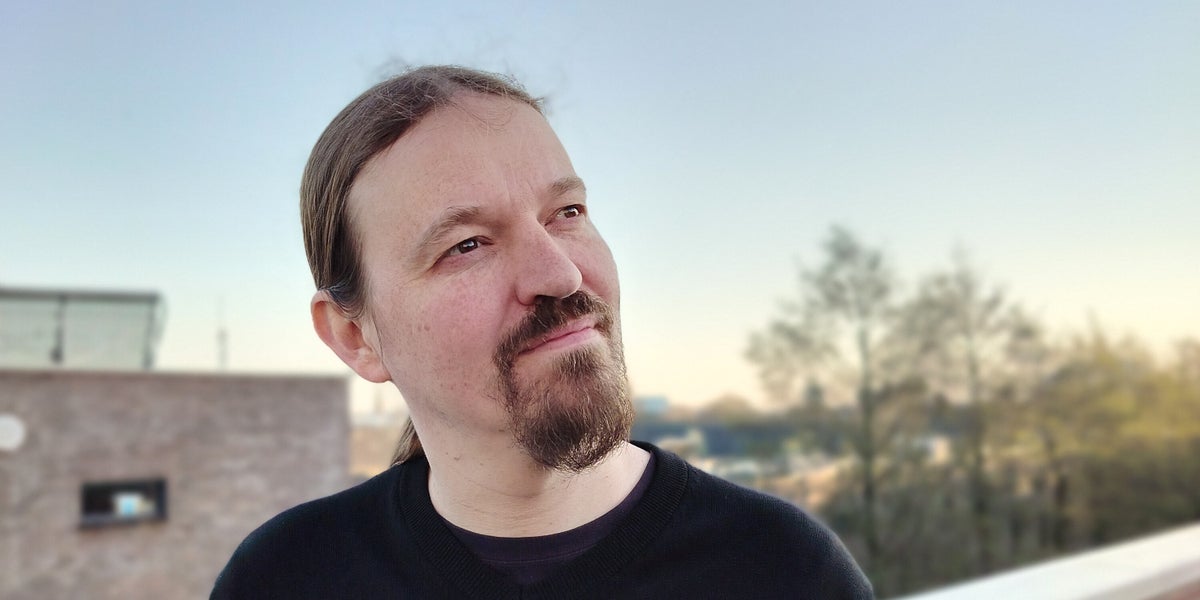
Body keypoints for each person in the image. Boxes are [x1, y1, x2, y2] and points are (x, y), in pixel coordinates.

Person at [211, 65, 873, 599]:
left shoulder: (784, 572)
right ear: (354, 336)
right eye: (467, 245)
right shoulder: (284, 580)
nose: (560, 273)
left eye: (567, 212)